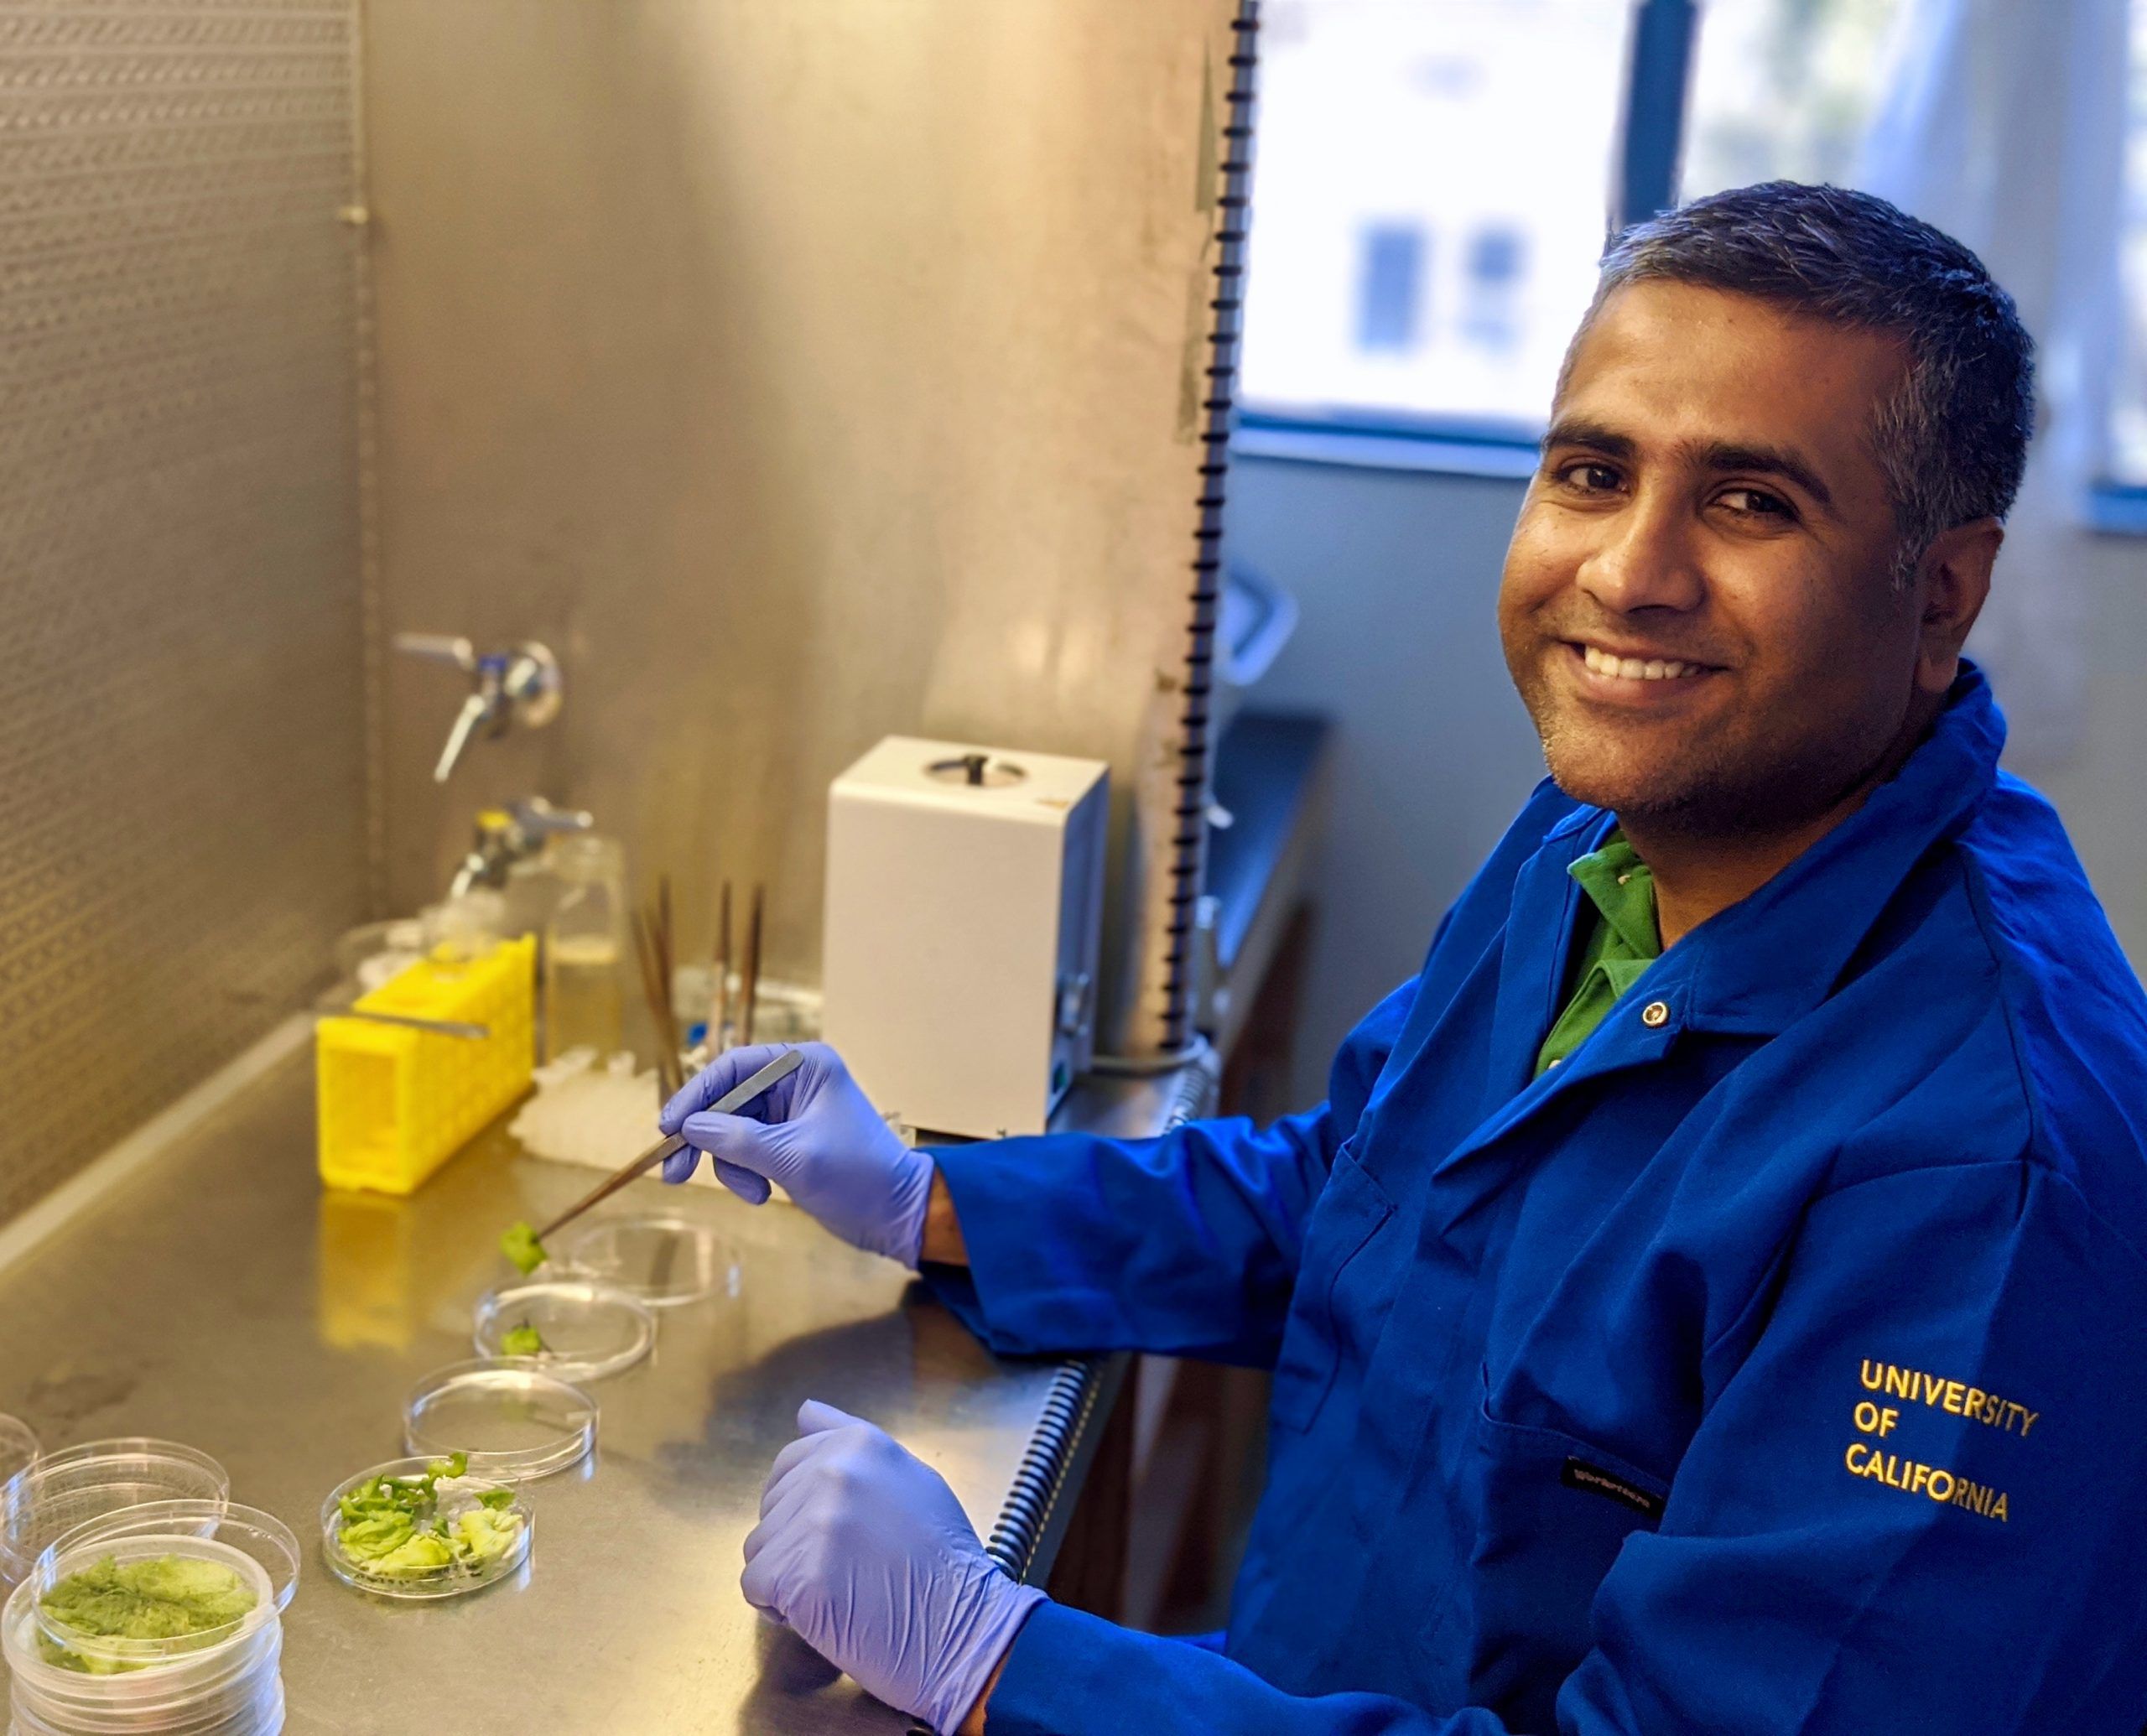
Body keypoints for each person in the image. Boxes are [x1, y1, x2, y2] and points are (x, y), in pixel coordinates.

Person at [662, 182, 2147, 1734]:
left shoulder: (1992, 1180)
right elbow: (1369, 1187)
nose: (1631, 573)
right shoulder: (1603, 834)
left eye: (1752, 501)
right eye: (1593, 470)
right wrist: (928, 1197)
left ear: (1943, 593)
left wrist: (1003, 1661)